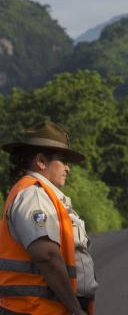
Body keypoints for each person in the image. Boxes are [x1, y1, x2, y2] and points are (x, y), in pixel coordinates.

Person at [0, 121, 97, 315]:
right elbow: (47, 256)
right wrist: (75, 308)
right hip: (36, 309)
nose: (68, 168)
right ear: (41, 161)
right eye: (63, 160)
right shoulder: (33, 196)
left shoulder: (42, 194)